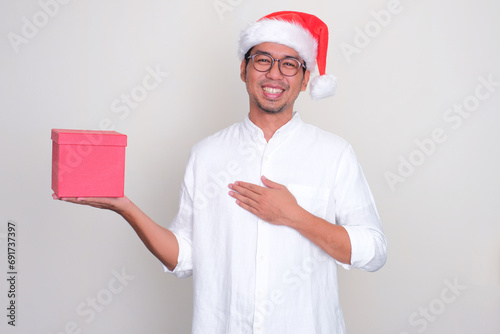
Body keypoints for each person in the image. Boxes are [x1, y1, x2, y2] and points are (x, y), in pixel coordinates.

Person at [55, 11, 387, 334]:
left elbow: (374, 252)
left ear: (304, 80)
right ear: (244, 70)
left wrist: (295, 216)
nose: (274, 74)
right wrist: (122, 205)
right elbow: (184, 257)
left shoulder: (334, 154)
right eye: (262, 60)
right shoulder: (206, 155)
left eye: (289, 64)